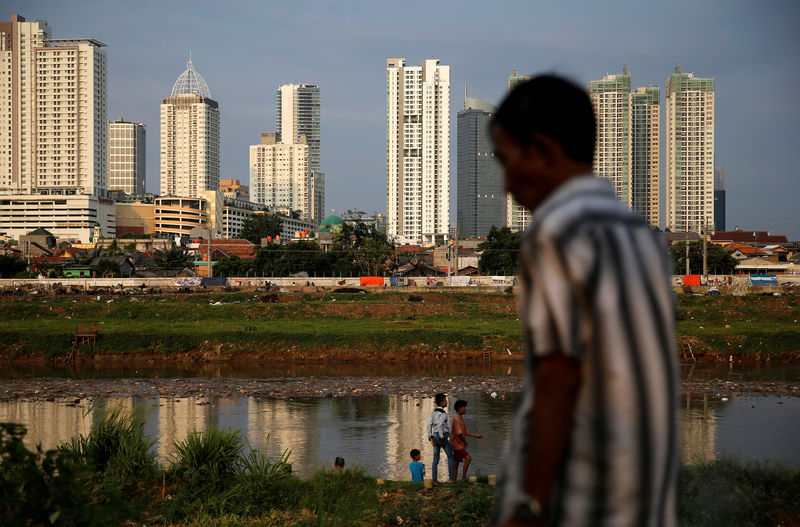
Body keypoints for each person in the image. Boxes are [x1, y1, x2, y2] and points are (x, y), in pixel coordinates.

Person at [491, 75, 678, 526]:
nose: (506, 185)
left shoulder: (555, 231)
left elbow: (558, 376)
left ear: (541, 150)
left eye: (505, 160)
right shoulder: (642, 235)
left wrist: (529, 505)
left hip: (576, 504)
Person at [426, 392, 455, 484]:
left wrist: (430, 436)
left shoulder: (434, 412)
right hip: (441, 436)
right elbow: (440, 425)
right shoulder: (444, 414)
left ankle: (434, 480)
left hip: (434, 436)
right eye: (445, 401)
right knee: (450, 456)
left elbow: (429, 425)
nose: (446, 402)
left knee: (436, 459)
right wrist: (443, 437)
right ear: (442, 402)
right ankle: (451, 478)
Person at [450, 399, 483, 480]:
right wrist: (464, 441)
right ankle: (463, 478)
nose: (465, 409)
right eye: (464, 407)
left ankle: (454, 479)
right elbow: (459, 434)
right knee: (468, 458)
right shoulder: (457, 419)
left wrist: (475, 435)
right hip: (457, 444)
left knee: (456, 463)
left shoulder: (461, 418)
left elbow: (465, 431)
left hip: (458, 444)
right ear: (459, 408)